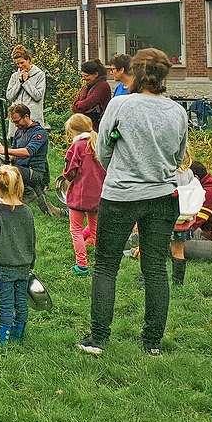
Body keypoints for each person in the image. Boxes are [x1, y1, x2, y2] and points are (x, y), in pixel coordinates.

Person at [78, 48, 187, 357]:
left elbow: (104, 151)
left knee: (106, 267)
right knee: (154, 268)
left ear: (136, 73)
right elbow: (178, 158)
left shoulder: (120, 105)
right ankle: (152, 342)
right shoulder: (177, 112)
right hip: (162, 197)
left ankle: (97, 338)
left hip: (121, 195)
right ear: (164, 75)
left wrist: (123, 167)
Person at [0, 166, 36, 345]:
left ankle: (3, 340)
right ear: (19, 185)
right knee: (21, 301)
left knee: (5, 303)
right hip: (23, 266)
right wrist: (30, 261)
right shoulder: (27, 212)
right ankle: (18, 336)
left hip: (3, 267)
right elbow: (31, 239)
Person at [0, 103, 59, 216]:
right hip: (21, 169)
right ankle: (24, 195)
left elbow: (28, 152)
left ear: (26, 116)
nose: (16, 124)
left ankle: (26, 194)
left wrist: (6, 150)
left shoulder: (39, 133)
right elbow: (15, 153)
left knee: (9, 172)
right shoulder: (18, 132)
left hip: (35, 172)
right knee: (3, 169)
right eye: (13, 122)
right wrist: (6, 156)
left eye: (17, 121)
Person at [62, 113, 106, 275]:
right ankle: (96, 255)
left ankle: (82, 265)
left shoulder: (77, 146)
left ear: (74, 130)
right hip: (98, 194)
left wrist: (67, 177)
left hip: (80, 194)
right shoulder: (98, 143)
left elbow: (70, 171)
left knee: (75, 230)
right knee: (95, 227)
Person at [5, 45, 46, 136]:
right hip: (16, 122)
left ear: (28, 60)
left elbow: (38, 96)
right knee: (15, 148)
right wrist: (19, 82)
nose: (20, 66)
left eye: (22, 62)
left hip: (32, 119)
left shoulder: (39, 75)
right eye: (17, 64)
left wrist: (26, 82)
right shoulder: (15, 76)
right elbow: (9, 96)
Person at [72, 59, 112, 129]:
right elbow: (74, 106)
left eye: (86, 76)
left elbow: (85, 105)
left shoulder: (102, 86)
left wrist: (79, 105)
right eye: (82, 76)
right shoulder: (87, 86)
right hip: (88, 126)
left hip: (97, 127)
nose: (83, 79)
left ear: (96, 74)